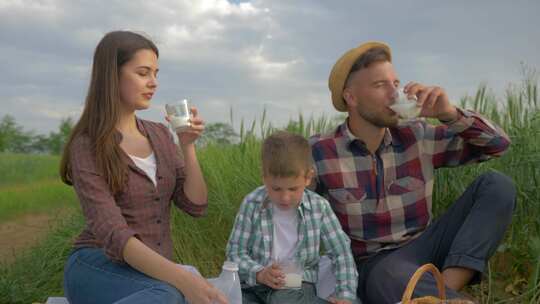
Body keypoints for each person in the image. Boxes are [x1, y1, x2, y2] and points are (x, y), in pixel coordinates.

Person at [309, 41, 516, 303]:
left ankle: (440, 293)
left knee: (497, 186)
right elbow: (287, 208)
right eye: (380, 85)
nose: (394, 94)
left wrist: (449, 113)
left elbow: (499, 145)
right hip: (375, 263)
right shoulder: (320, 151)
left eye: (395, 84)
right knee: (389, 274)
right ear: (351, 97)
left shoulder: (418, 134)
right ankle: (440, 296)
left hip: (428, 244)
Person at [60, 30, 227, 304]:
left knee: (180, 292)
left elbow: (196, 205)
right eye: (143, 73)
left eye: (156, 73)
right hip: (97, 264)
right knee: (171, 292)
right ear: (111, 75)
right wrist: (182, 278)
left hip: (148, 272)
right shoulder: (87, 145)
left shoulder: (160, 134)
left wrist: (187, 146)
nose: (154, 83)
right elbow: (113, 233)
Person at [226, 131, 358, 304]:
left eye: (293, 189)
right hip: (254, 285)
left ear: (308, 178)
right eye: (276, 189)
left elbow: (341, 252)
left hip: (296, 285)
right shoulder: (252, 203)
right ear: (264, 177)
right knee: (224, 299)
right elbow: (235, 252)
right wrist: (259, 273)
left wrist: (345, 295)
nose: (285, 198)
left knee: (284, 299)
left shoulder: (319, 207)